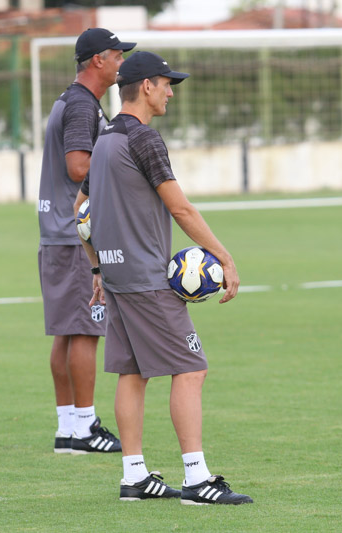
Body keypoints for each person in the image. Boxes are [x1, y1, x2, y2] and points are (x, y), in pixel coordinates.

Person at [80, 51, 253, 505]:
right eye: (166, 83)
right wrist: (224, 257)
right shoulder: (144, 140)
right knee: (191, 368)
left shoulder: (103, 140)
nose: (171, 91)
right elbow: (181, 208)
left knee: (132, 373)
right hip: (147, 279)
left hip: (117, 277)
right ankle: (197, 480)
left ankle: (134, 476)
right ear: (146, 86)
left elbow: (81, 214)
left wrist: (98, 266)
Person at [37, 28, 134, 454]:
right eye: (117, 55)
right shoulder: (81, 105)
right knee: (84, 332)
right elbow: (79, 167)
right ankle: (84, 428)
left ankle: (67, 427)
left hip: (55, 232)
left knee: (66, 332)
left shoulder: (69, 99)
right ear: (97, 60)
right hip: (75, 235)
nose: (121, 63)